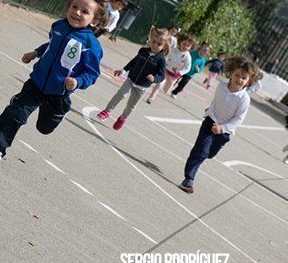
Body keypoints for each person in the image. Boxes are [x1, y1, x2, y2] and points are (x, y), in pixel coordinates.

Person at [0, 0, 108, 167]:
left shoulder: (91, 45)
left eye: (84, 11)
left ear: (95, 21)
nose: (77, 12)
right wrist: (36, 52)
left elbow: (92, 74)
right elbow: (52, 45)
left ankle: (59, 112)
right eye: (74, 7)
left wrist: (78, 81)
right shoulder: (59, 26)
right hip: (36, 83)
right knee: (14, 114)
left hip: (58, 93)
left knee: (44, 128)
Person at [179, 57, 260, 194]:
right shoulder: (221, 86)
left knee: (209, 154)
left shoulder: (244, 98)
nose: (239, 79)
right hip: (210, 123)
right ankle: (189, 179)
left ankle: (203, 155)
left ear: (249, 81)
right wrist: (209, 111)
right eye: (237, 75)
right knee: (201, 151)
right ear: (231, 73)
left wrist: (222, 129)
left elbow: (238, 119)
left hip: (224, 132)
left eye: (244, 78)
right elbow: (216, 102)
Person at [97, 27, 169, 130]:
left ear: (164, 46)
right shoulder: (143, 51)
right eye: (153, 41)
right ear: (150, 39)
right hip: (131, 79)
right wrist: (123, 70)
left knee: (131, 105)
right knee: (121, 94)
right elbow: (134, 62)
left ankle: (122, 118)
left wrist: (154, 78)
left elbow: (162, 76)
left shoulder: (161, 60)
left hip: (142, 86)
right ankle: (107, 111)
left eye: (159, 44)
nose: (155, 45)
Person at [147, 31, 194, 103]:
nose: (185, 47)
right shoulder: (173, 49)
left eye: (188, 46)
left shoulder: (187, 56)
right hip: (165, 70)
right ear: (180, 42)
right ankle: (151, 98)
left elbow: (188, 68)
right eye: (184, 44)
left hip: (174, 75)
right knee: (159, 84)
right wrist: (162, 62)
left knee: (166, 90)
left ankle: (172, 85)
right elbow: (165, 56)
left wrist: (180, 73)